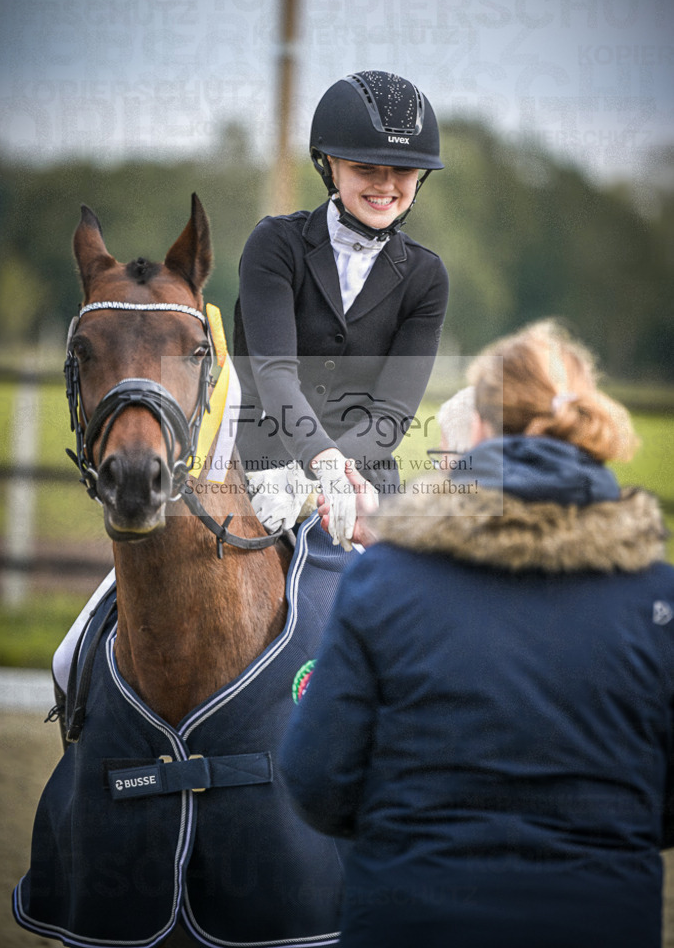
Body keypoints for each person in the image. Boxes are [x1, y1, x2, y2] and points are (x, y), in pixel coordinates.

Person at [279, 318, 674, 948]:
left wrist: (408, 825)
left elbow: (316, 781)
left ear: (479, 430)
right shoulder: (658, 600)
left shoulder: (384, 584)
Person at [233, 70, 448, 549]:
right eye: (366, 168)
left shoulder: (426, 278)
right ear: (329, 165)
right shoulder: (275, 245)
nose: (386, 186)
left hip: (365, 491)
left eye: (403, 172)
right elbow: (274, 375)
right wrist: (317, 464)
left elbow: (390, 413)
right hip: (260, 475)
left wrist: (335, 476)